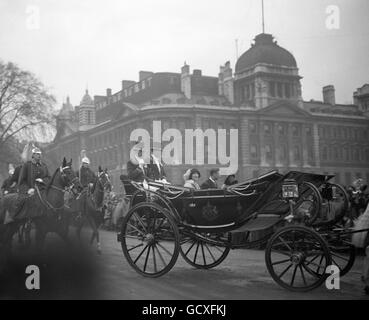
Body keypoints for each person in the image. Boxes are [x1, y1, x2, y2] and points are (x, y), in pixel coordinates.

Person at [14, 147, 50, 215]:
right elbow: (22, 180)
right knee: (22, 202)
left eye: (40, 154)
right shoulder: (27, 165)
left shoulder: (44, 166)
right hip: (30, 190)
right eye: (37, 154)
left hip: (43, 190)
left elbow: (49, 177)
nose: (39, 155)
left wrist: (42, 180)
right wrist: (28, 189)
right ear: (33, 155)